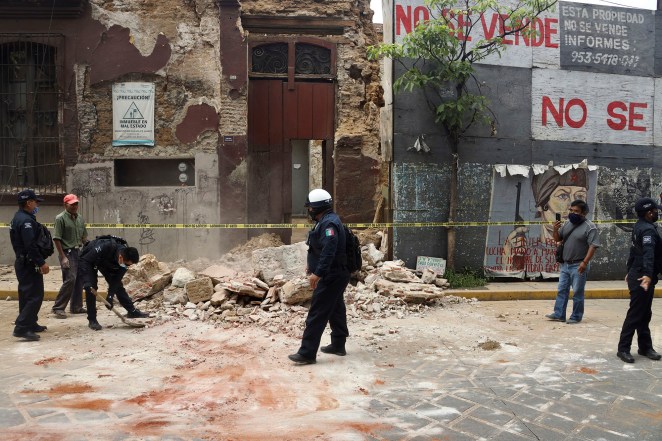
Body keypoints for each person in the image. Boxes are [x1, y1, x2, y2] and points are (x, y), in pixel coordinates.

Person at [288, 189, 351, 365]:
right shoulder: (325, 220)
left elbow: (329, 251)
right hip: (336, 274)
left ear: (317, 207)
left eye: (310, 207)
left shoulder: (329, 224)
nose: (308, 210)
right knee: (336, 308)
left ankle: (307, 353)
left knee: (317, 313)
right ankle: (338, 344)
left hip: (332, 275)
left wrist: (317, 273)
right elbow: (320, 248)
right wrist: (312, 263)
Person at [616, 197, 662, 363]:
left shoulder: (639, 226)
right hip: (643, 277)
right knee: (636, 314)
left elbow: (635, 251)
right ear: (649, 213)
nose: (657, 212)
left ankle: (645, 347)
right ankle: (623, 349)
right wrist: (648, 275)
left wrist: (630, 270)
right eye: (656, 210)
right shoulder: (648, 230)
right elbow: (648, 254)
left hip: (639, 274)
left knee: (644, 313)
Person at [544, 199, 600, 324]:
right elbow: (558, 239)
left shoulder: (590, 227)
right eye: (571, 210)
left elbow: (593, 246)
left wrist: (584, 263)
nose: (573, 213)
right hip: (565, 264)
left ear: (584, 213)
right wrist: (555, 229)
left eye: (576, 211)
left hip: (579, 265)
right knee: (562, 290)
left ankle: (576, 316)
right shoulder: (568, 224)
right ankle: (559, 314)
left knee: (577, 292)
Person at [78, 235, 149, 331]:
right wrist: (86, 280)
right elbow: (84, 260)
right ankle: (92, 320)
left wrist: (110, 296)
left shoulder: (124, 262)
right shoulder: (106, 246)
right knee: (91, 288)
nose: (126, 266)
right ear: (120, 257)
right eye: (126, 264)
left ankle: (132, 311)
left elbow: (116, 281)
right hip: (90, 261)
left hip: (106, 263)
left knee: (118, 286)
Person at [9, 189, 50, 341]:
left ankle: (31, 323)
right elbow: (30, 245)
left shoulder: (18, 217)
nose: (37, 204)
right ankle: (21, 328)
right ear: (28, 203)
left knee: (26, 295)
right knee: (35, 295)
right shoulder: (26, 221)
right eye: (35, 201)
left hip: (23, 262)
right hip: (28, 263)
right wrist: (41, 262)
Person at [51, 194, 88, 318]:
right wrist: (63, 256)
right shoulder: (60, 218)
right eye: (72, 204)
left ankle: (76, 307)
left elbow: (84, 237)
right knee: (70, 279)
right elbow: (56, 238)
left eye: (76, 204)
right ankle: (58, 307)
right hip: (67, 252)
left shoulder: (80, 218)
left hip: (79, 252)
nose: (74, 206)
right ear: (65, 205)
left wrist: (88, 248)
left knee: (79, 280)